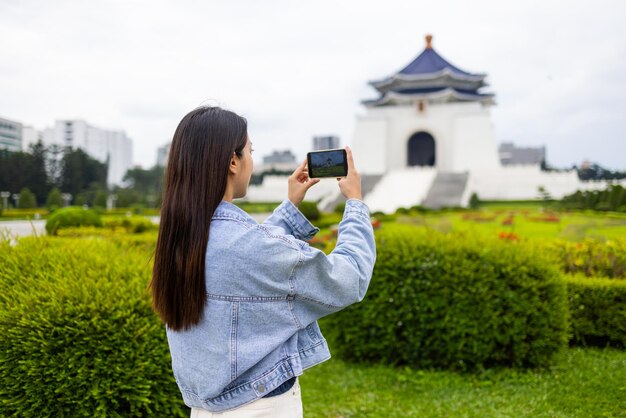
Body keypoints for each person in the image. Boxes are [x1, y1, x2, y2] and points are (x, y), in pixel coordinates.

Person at [151, 106, 376, 417]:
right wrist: (355, 202)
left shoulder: (180, 236)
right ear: (233, 161)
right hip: (262, 407)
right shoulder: (248, 245)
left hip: (204, 410)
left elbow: (244, 254)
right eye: (250, 151)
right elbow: (348, 279)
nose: (252, 162)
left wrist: (290, 204)